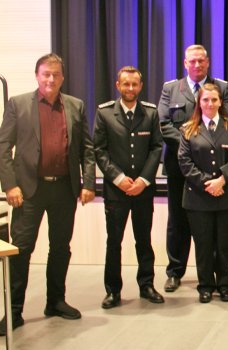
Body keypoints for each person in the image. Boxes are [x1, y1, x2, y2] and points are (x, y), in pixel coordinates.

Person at [0, 53, 96, 334]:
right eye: (45, 74)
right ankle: (14, 311)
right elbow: (3, 148)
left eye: (55, 74)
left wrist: (88, 183)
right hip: (29, 191)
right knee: (22, 249)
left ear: (63, 77)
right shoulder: (18, 105)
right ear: (37, 76)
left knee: (60, 248)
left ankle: (55, 301)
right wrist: (10, 186)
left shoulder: (75, 106)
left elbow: (86, 149)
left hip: (64, 189)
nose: (51, 79)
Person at [158, 44, 228, 293]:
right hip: (180, 167)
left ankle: (216, 275)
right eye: (192, 61)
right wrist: (190, 142)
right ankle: (175, 271)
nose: (197, 65)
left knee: (213, 224)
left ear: (208, 62)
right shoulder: (171, 89)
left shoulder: (220, 87)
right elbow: (163, 124)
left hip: (213, 171)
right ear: (185, 63)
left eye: (201, 61)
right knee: (177, 221)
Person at [93, 66, 165, 309]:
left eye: (134, 84)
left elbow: (156, 147)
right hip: (116, 191)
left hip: (143, 190)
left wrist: (144, 180)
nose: (130, 89)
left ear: (141, 86)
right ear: (118, 85)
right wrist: (118, 178)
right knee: (114, 241)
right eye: (126, 84)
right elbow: (99, 150)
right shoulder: (104, 113)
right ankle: (113, 291)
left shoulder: (151, 113)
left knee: (143, 240)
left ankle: (146, 285)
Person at [178, 83, 228, 303]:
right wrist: (209, 183)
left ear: (220, 102)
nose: (210, 104)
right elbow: (185, 163)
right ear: (199, 102)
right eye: (205, 100)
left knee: (225, 244)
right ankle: (205, 285)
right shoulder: (188, 129)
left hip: (227, 195)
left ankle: (225, 283)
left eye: (214, 100)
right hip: (199, 197)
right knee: (204, 244)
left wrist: (222, 180)